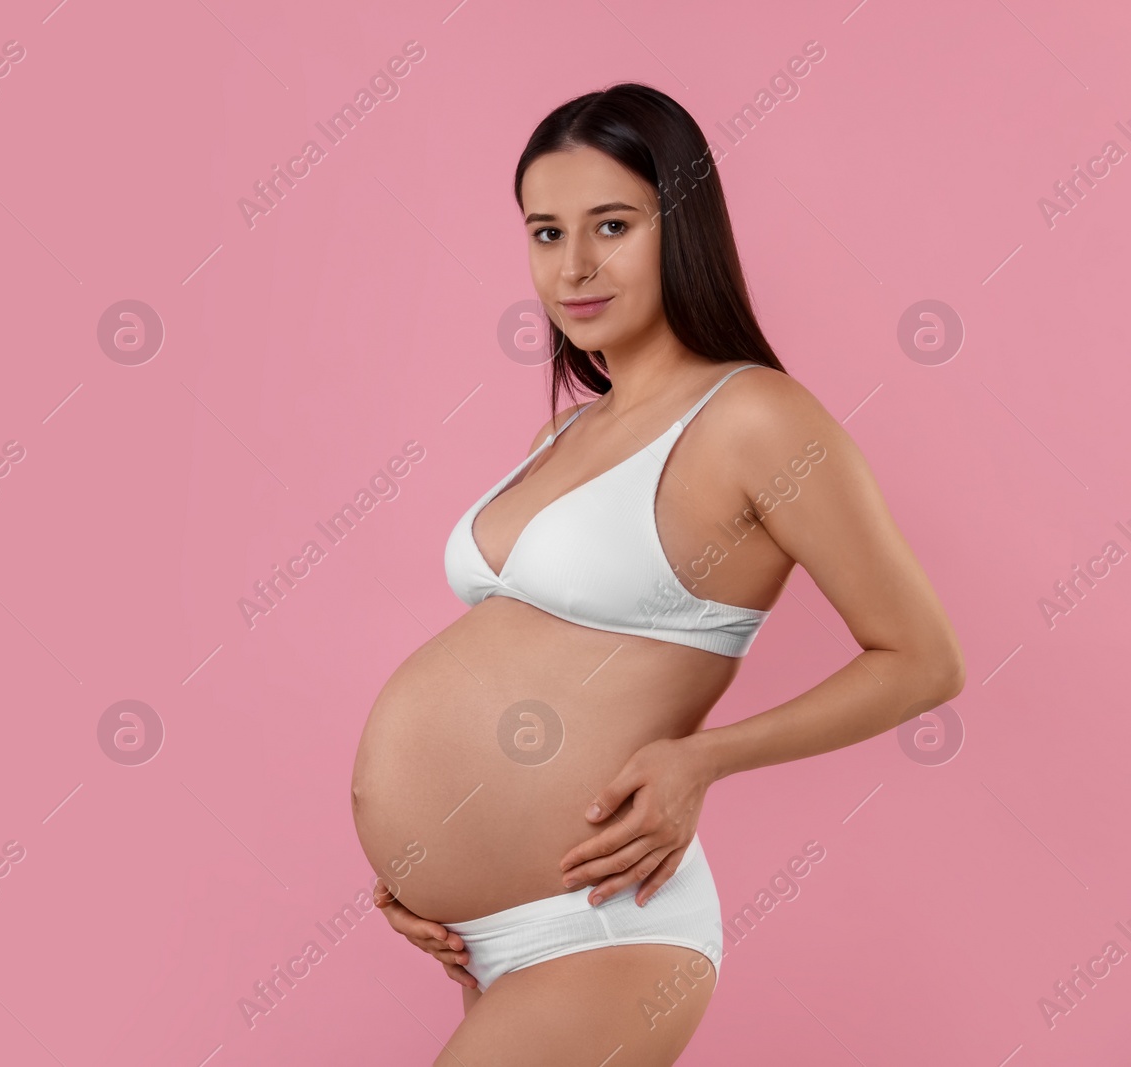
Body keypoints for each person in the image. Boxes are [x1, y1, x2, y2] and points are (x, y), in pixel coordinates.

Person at [348, 83, 964, 1065]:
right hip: (487, 944)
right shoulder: (564, 429)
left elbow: (922, 657)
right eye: (546, 232)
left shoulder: (757, 418)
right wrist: (417, 870)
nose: (575, 264)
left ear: (682, 226)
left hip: (604, 927)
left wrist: (698, 758)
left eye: (612, 225)